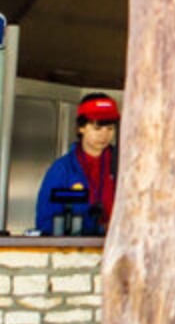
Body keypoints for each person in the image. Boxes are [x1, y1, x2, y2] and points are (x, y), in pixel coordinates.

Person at [36, 95, 119, 235]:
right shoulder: (62, 169)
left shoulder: (126, 168)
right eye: (97, 128)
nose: (104, 135)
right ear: (81, 128)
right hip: (76, 246)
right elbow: (46, 223)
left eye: (110, 128)